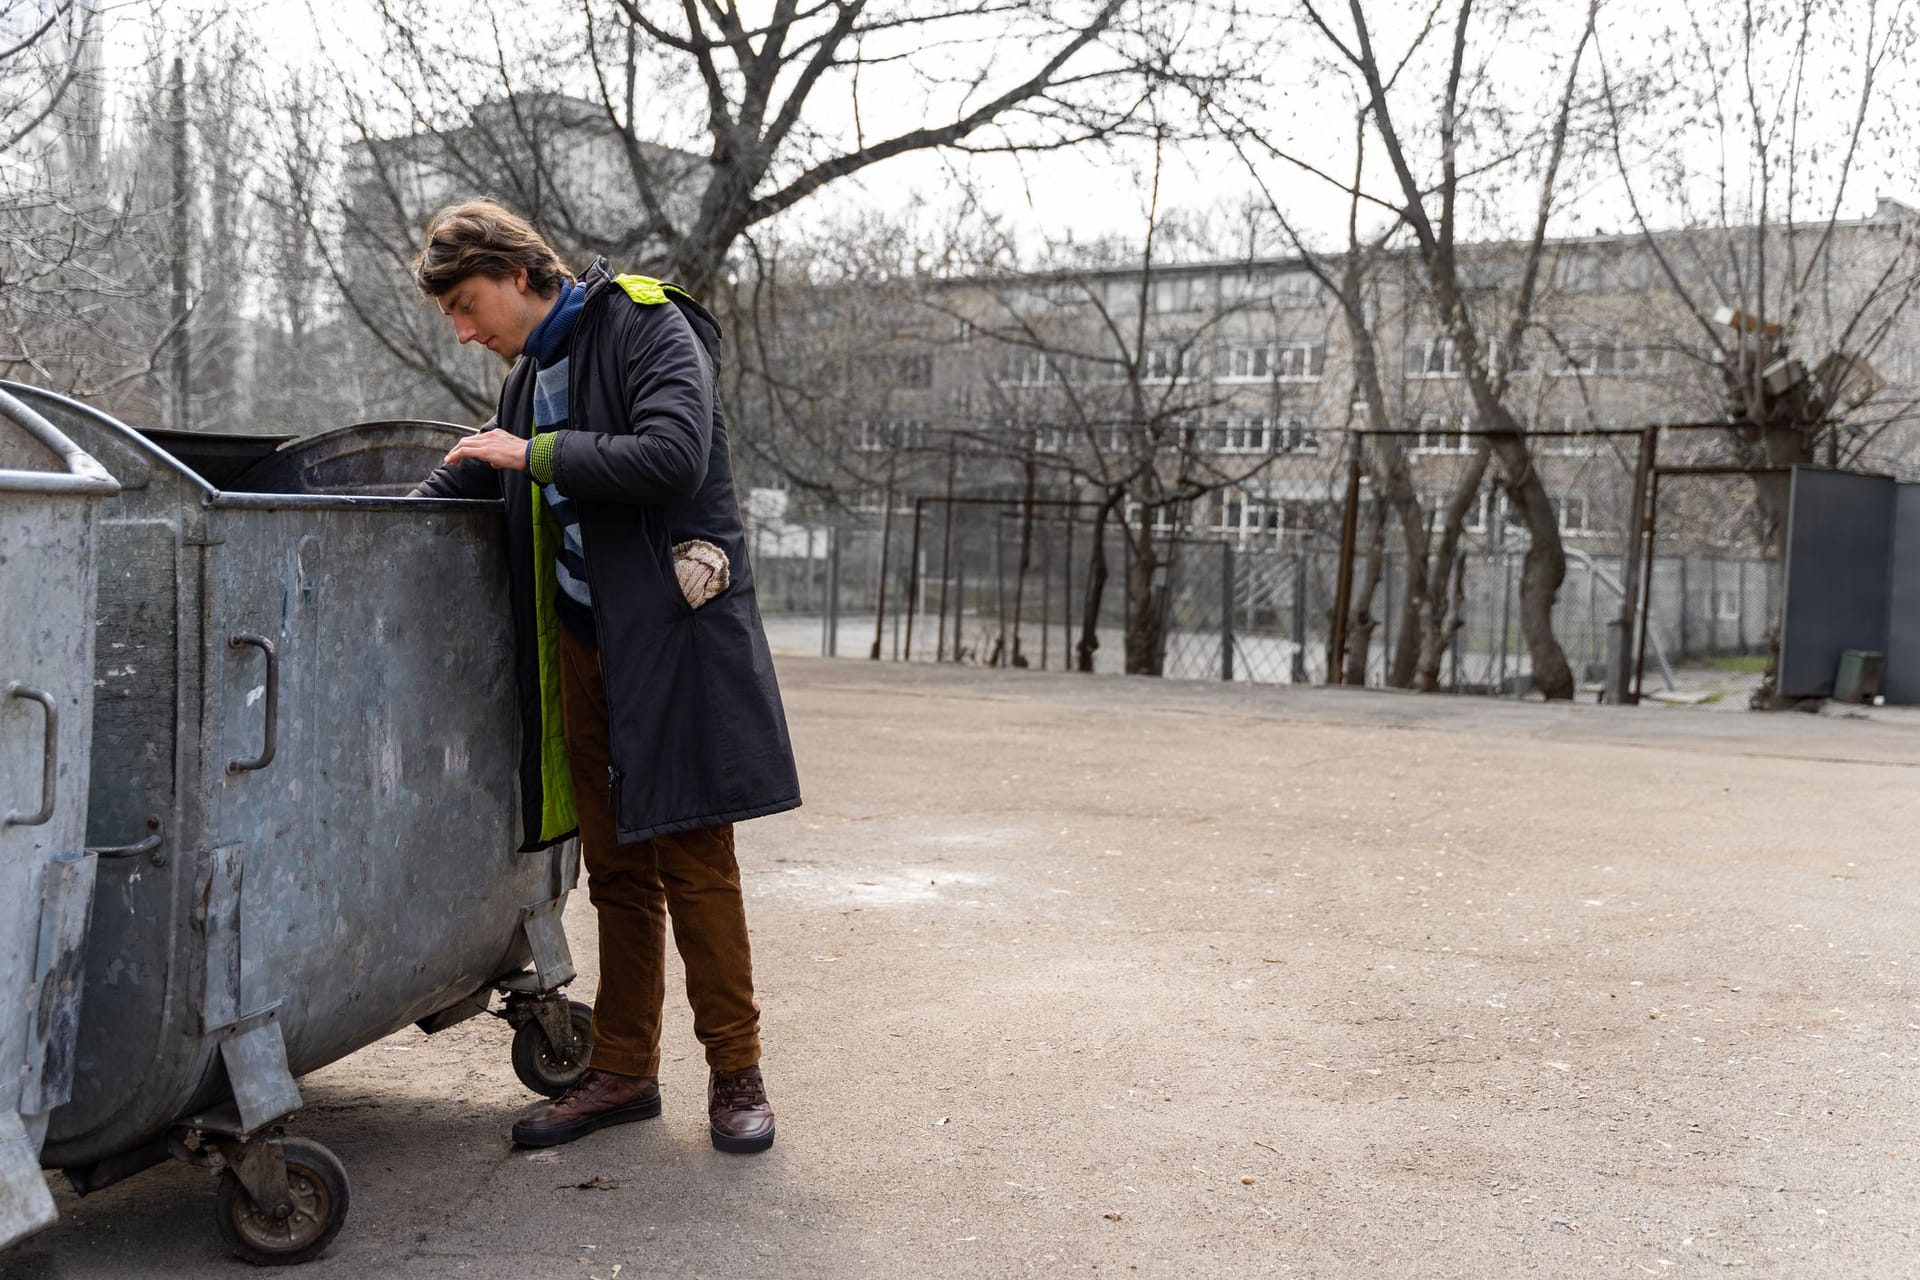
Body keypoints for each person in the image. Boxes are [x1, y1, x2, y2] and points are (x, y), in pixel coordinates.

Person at [409, 200, 800, 1155]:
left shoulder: (647, 322)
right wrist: (389, 510)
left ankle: (737, 1074)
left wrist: (531, 452)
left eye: (467, 305)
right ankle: (621, 1070)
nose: (464, 330)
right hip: (584, 646)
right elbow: (482, 473)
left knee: (696, 862)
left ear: (517, 273)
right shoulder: (529, 375)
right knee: (619, 872)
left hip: (672, 644)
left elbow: (672, 455)